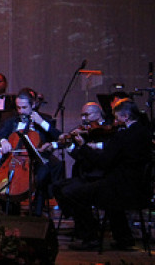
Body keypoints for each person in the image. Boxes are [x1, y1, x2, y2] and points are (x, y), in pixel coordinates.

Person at [63, 99, 153, 251]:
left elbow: (103, 162)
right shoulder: (144, 132)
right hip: (139, 188)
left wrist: (83, 147)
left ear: (126, 117)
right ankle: (124, 238)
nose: (114, 122)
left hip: (121, 188)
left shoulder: (124, 136)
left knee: (73, 193)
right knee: (102, 191)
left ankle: (90, 237)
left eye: (117, 118)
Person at [0, 88, 62, 216]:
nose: (21, 111)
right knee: (1, 172)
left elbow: (58, 136)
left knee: (43, 174)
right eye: (18, 108)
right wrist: (3, 141)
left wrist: (41, 123)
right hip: (16, 157)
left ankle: (37, 209)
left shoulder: (45, 119)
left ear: (33, 105)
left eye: (24, 107)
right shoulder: (11, 120)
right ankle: (10, 208)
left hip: (39, 158)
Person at [48, 102, 110, 241]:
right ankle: (80, 223)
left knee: (72, 192)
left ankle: (88, 230)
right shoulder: (85, 131)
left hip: (98, 175)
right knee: (57, 187)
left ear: (98, 114)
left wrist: (84, 145)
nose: (83, 119)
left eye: (87, 115)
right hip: (83, 173)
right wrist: (66, 145)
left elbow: (96, 157)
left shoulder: (107, 131)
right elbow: (79, 155)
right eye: (82, 115)